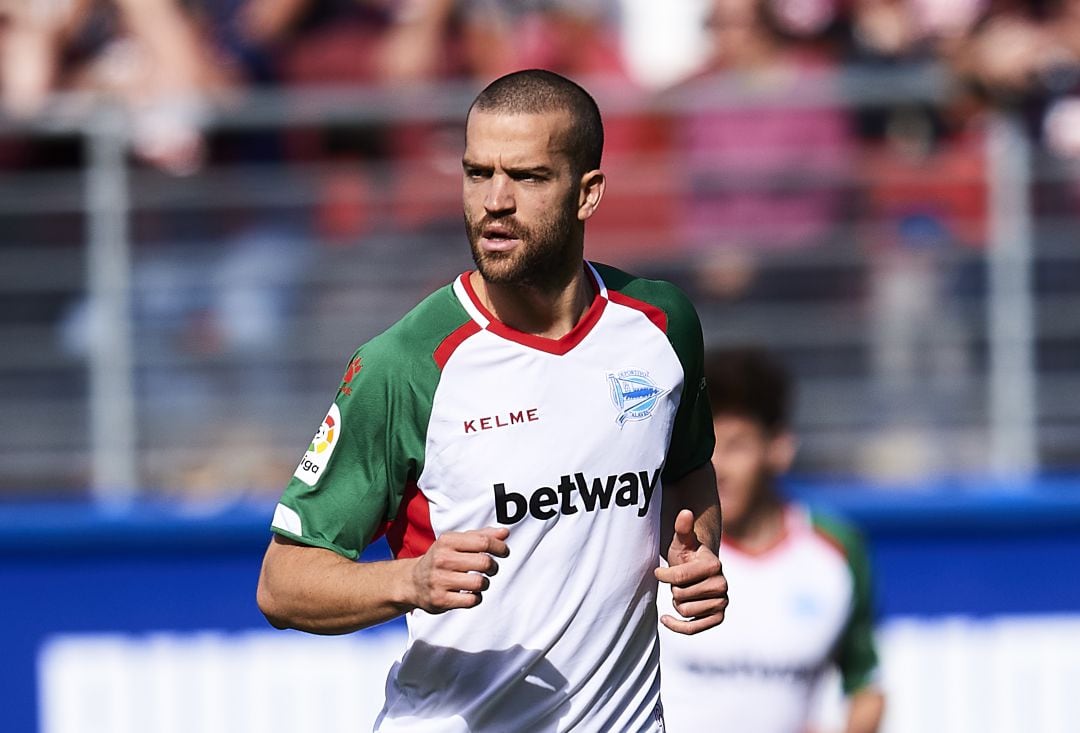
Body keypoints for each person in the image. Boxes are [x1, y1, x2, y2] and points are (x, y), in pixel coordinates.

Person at [256, 68, 729, 732]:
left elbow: (686, 472)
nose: (494, 200)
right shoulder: (407, 363)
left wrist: (698, 553)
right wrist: (410, 581)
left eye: (528, 177)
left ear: (587, 193)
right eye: (478, 173)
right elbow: (282, 581)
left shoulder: (660, 324)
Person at [657, 347, 885, 733]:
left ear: (778, 449)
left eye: (736, 446)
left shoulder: (835, 551)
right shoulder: (660, 547)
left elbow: (866, 687)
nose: (718, 469)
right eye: (707, 450)